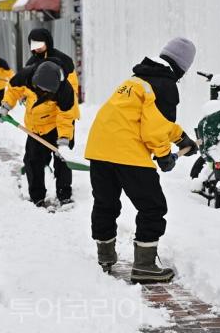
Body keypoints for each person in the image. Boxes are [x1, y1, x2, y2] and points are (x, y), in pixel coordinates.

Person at [84, 37, 199, 283]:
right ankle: (145, 266)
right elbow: (155, 128)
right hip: (127, 152)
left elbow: (148, 120)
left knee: (106, 204)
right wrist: (163, 155)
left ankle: (105, 257)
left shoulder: (137, 80)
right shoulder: (165, 84)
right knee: (153, 207)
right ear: (182, 66)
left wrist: (180, 138)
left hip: (100, 148)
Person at [0, 58, 78, 207]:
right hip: (35, 128)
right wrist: (6, 106)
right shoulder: (26, 76)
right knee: (32, 161)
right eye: (40, 89)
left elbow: (65, 117)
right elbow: (13, 90)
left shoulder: (65, 90)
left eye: (47, 91)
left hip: (56, 127)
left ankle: (64, 195)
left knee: (62, 162)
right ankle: (37, 197)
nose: (42, 92)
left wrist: (64, 140)